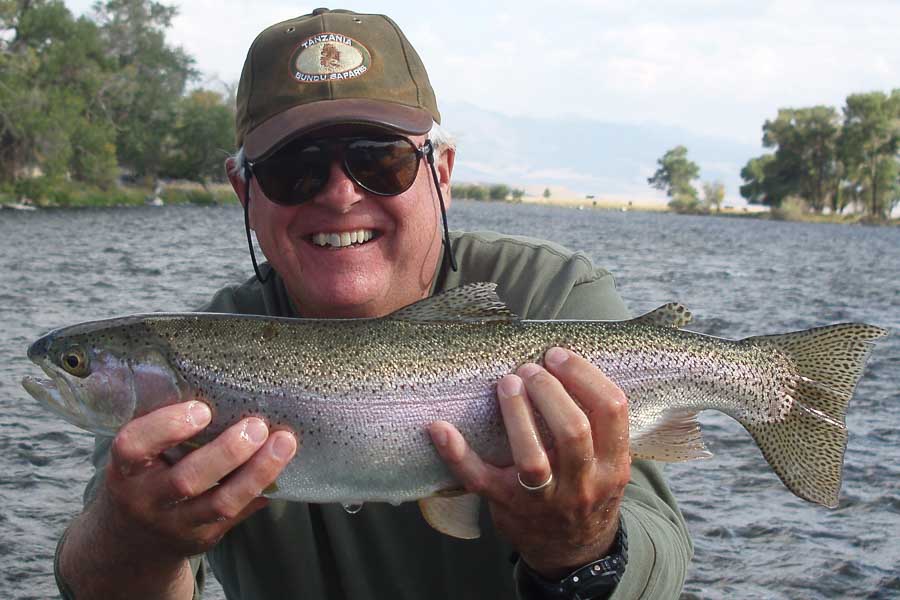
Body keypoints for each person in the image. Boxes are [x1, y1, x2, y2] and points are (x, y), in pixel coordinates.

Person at [55, 8, 692, 599]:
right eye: (293, 168)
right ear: (243, 191)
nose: (338, 196)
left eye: (380, 161)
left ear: (441, 171)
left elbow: (662, 561)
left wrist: (581, 548)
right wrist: (138, 539)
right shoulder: (202, 350)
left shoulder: (551, 297)